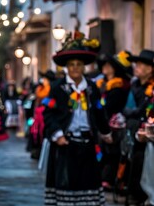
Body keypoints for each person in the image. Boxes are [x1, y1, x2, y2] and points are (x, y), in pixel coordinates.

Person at [43, 33, 112, 205]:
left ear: (84, 67)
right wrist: (57, 135)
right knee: (66, 184)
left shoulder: (91, 88)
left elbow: (98, 111)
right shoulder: (57, 88)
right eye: (71, 65)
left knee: (87, 184)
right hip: (65, 144)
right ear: (66, 67)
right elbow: (48, 114)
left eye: (79, 65)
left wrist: (106, 132)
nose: (75, 68)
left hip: (88, 143)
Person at [95, 51, 132, 191]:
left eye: (108, 65)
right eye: (104, 65)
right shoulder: (100, 84)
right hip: (101, 121)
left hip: (114, 124)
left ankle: (109, 179)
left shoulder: (119, 85)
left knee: (112, 152)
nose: (105, 67)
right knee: (101, 151)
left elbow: (112, 105)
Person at [123, 50, 154, 204]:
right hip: (134, 129)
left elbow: (145, 111)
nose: (137, 67)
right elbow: (128, 108)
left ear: (149, 69)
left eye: (141, 65)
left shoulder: (152, 87)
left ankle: (142, 195)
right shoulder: (134, 84)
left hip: (148, 131)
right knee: (132, 161)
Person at [28, 70, 56, 160]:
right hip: (38, 116)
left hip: (45, 116)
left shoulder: (51, 89)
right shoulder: (40, 88)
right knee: (36, 134)